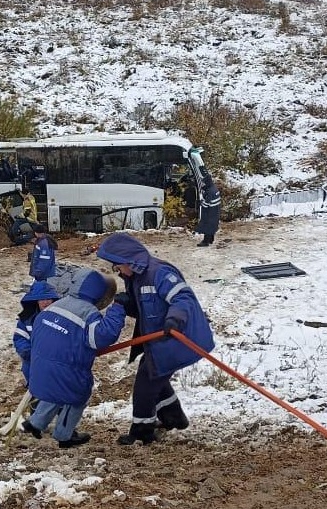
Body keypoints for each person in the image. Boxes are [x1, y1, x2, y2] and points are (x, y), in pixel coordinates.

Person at [96, 233, 215, 445]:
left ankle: (142, 431)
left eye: (117, 266)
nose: (117, 271)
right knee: (154, 375)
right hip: (158, 341)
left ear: (129, 261)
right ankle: (174, 417)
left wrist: (174, 319)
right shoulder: (135, 278)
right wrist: (128, 305)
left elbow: (182, 298)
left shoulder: (159, 273)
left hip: (177, 338)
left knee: (145, 385)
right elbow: (147, 307)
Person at [22, 269, 125, 448]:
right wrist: (117, 309)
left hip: (37, 372)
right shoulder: (88, 313)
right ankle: (64, 435)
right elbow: (103, 337)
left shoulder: (56, 305)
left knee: (56, 388)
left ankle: (35, 422)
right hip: (65, 373)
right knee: (77, 395)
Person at [12, 280, 60, 383]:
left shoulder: (60, 318)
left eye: (48, 298)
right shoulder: (27, 319)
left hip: (55, 362)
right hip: (33, 361)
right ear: (36, 301)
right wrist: (29, 353)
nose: (45, 302)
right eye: (41, 299)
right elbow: (20, 338)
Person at [196, 171, 221, 247]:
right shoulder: (214, 188)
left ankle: (205, 241)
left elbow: (206, 204)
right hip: (215, 210)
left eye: (204, 183)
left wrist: (200, 202)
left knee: (207, 225)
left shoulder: (209, 192)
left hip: (209, 212)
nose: (203, 184)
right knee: (213, 225)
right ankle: (211, 239)